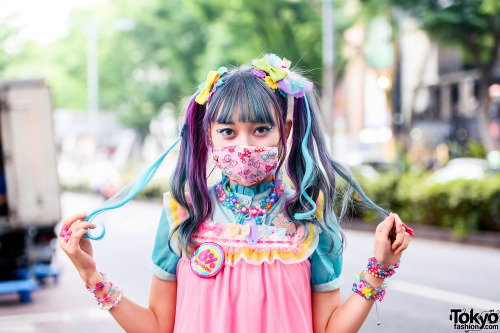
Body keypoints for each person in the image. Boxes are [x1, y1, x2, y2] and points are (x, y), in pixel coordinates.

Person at [59, 53, 412, 333]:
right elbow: (157, 327)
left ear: (284, 131)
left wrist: (379, 268)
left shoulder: (308, 214)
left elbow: (330, 329)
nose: (243, 146)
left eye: (260, 129)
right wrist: (91, 275)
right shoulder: (183, 212)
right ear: (208, 134)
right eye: (228, 132)